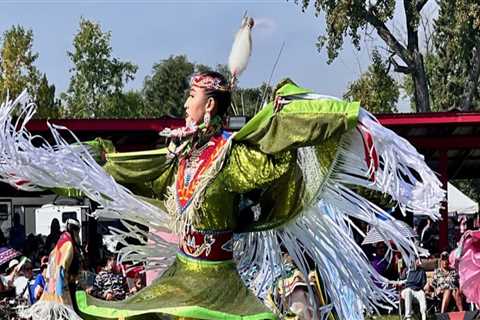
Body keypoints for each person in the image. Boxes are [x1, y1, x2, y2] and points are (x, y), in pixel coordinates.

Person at [0, 16, 444, 320]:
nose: (184, 104)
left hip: (220, 287)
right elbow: (133, 167)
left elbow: (275, 139)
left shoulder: (230, 159)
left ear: (209, 103)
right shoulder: (180, 157)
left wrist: (345, 118)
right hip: (179, 276)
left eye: (190, 97)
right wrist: (81, 160)